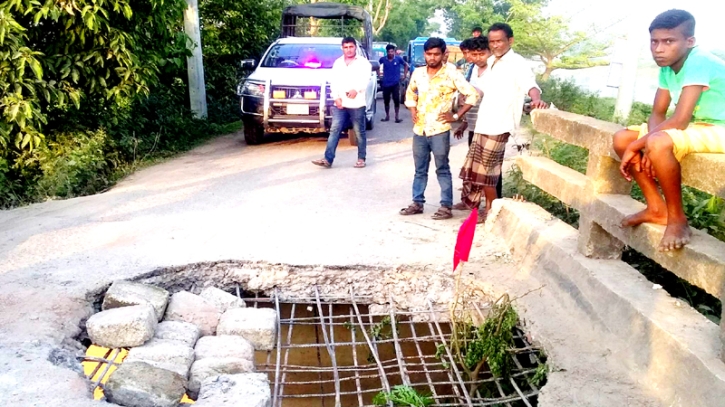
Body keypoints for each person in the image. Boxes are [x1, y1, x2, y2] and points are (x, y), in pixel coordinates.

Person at [613, 9, 725, 251]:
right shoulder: (668, 65)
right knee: (623, 138)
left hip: (720, 127)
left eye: (668, 41)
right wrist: (647, 143)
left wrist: (643, 144)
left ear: (689, 41)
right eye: (654, 41)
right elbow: (658, 113)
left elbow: (681, 119)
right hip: (698, 126)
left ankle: (677, 219)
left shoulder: (699, 61)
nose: (659, 49)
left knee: (650, 142)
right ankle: (656, 208)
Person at [454, 23, 547, 223]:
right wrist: (465, 98)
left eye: (499, 41)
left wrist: (536, 98)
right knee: (479, 170)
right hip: (484, 122)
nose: (495, 45)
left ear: (510, 41)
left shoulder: (516, 62)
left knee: (488, 171)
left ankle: (490, 210)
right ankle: (484, 207)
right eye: (492, 42)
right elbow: (481, 89)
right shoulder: (493, 62)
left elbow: (530, 84)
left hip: (501, 124)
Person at [399, 38, 479, 220]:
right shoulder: (418, 73)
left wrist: (457, 116)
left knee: (442, 168)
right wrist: (412, 109)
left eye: (436, 54)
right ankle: (417, 202)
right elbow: (410, 93)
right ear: (424, 54)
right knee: (420, 169)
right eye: (429, 54)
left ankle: (445, 206)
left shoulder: (451, 74)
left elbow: (472, 94)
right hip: (420, 130)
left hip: (440, 129)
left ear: (443, 55)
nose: (432, 58)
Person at [312, 37, 372, 169]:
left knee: (359, 132)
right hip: (341, 103)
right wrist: (336, 98)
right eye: (346, 47)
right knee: (335, 129)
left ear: (355, 47)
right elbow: (334, 82)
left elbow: (366, 79)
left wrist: (356, 89)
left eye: (351, 47)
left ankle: (361, 158)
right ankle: (328, 159)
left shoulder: (363, 63)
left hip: (357, 103)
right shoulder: (338, 63)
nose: (349, 50)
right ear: (342, 48)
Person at [453, 36, 491, 147]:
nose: (468, 56)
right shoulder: (473, 69)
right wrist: (465, 123)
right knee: (473, 155)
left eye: (480, 54)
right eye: (465, 53)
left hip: (489, 124)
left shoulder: (495, 70)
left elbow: (477, 93)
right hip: (474, 123)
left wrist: (457, 115)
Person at [378, 44, 408, 123]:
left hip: (395, 84)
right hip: (386, 84)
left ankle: (396, 117)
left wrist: (404, 75)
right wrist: (379, 75)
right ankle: (387, 116)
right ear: (387, 52)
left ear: (394, 52)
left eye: (392, 51)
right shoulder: (383, 59)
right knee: (386, 101)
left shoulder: (398, 59)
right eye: (389, 52)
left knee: (396, 100)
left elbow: (406, 65)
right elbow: (377, 66)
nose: (391, 53)